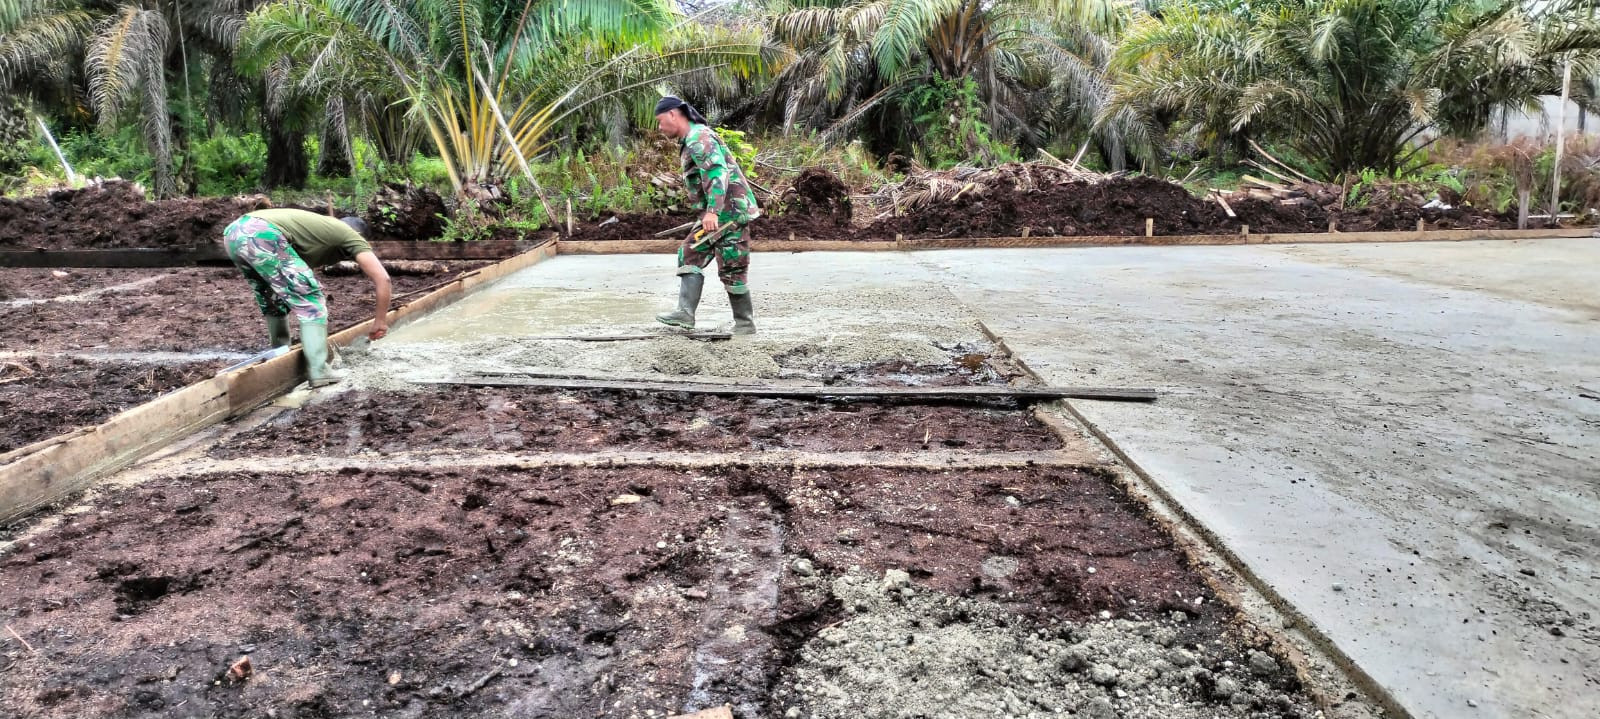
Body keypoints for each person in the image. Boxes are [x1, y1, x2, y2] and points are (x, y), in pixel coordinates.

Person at [222, 207, 391, 386]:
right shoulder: (350, 234)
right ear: (359, 234)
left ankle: (280, 353)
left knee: (272, 297)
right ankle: (319, 371)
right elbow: (383, 279)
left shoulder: (321, 229)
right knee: (311, 301)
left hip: (233, 234)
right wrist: (380, 321)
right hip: (262, 233)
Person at [652, 95, 761, 335]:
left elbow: (717, 172)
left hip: (730, 214)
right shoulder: (693, 138)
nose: (660, 128)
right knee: (690, 252)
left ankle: (744, 324)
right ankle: (685, 313)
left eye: (660, 121)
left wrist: (712, 211)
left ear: (673, 115)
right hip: (721, 215)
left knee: (732, 268)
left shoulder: (699, 137)